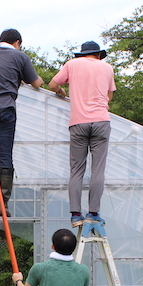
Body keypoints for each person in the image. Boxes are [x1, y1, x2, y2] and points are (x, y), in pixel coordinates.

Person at [0, 28, 44, 216]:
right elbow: (36, 83)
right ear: (17, 43)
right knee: (5, 157)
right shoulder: (21, 57)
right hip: (5, 111)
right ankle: (3, 204)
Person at [48, 41, 116, 228]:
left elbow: (53, 84)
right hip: (101, 121)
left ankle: (76, 215)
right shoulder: (107, 68)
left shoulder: (72, 64)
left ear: (82, 54)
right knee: (97, 170)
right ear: (98, 55)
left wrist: (62, 91)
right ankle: (93, 213)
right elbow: (109, 95)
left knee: (76, 170)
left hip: (78, 122)